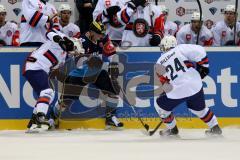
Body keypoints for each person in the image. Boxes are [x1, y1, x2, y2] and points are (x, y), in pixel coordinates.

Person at [52, 21, 124, 128]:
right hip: (79, 74)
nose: (101, 36)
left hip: (96, 72)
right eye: (99, 33)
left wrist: (113, 68)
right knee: (65, 101)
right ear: (91, 32)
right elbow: (75, 59)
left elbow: (111, 54)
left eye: (102, 33)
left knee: (113, 91)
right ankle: (53, 118)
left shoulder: (103, 38)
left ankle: (110, 117)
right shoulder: (81, 41)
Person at [155, 35, 222, 137]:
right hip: (195, 85)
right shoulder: (180, 48)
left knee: (159, 106)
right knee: (200, 109)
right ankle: (215, 127)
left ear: (164, 46)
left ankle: (172, 130)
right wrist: (204, 67)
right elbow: (200, 50)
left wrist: (166, 92)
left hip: (177, 91)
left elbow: (163, 83)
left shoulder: (159, 61)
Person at [22, 28, 84, 133]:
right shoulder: (63, 39)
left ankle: (34, 120)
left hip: (38, 69)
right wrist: (62, 41)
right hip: (35, 66)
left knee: (47, 95)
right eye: (75, 51)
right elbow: (49, 32)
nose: (74, 54)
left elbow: (52, 71)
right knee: (47, 92)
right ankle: (39, 120)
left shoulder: (63, 58)